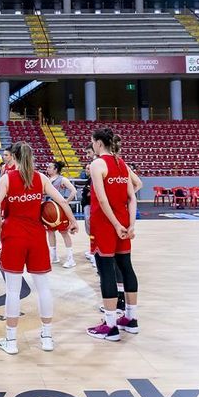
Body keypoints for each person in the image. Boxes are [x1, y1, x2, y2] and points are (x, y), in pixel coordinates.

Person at [0, 141, 78, 355]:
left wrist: (3, 227)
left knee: (12, 290)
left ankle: (11, 341)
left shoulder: (7, 178)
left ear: (14, 157)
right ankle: (47, 337)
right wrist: (73, 221)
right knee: (44, 288)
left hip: (14, 234)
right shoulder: (41, 178)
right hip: (36, 235)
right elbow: (63, 202)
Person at [86, 128, 140, 342]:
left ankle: (110, 325)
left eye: (92, 143)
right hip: (124, 222)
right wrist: (130, 224)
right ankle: (131, 319)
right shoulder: (122, 163)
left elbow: (101, 200)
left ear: (99, 143)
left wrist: (116, 225)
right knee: (126, 266)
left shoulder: (97, 164)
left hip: (106, 224)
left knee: (106, 269)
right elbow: (132, 197)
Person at [45, 161, 78, 268]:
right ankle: (54, 257)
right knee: (50, 232)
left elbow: (74, 191)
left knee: (64, 232)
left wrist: (66, 201)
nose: (48, 168)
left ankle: (71, 259)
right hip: (49, 210)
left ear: (55, 169)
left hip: (60, 210)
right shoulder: (47, 180)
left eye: (50, 167)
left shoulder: (62, 179)